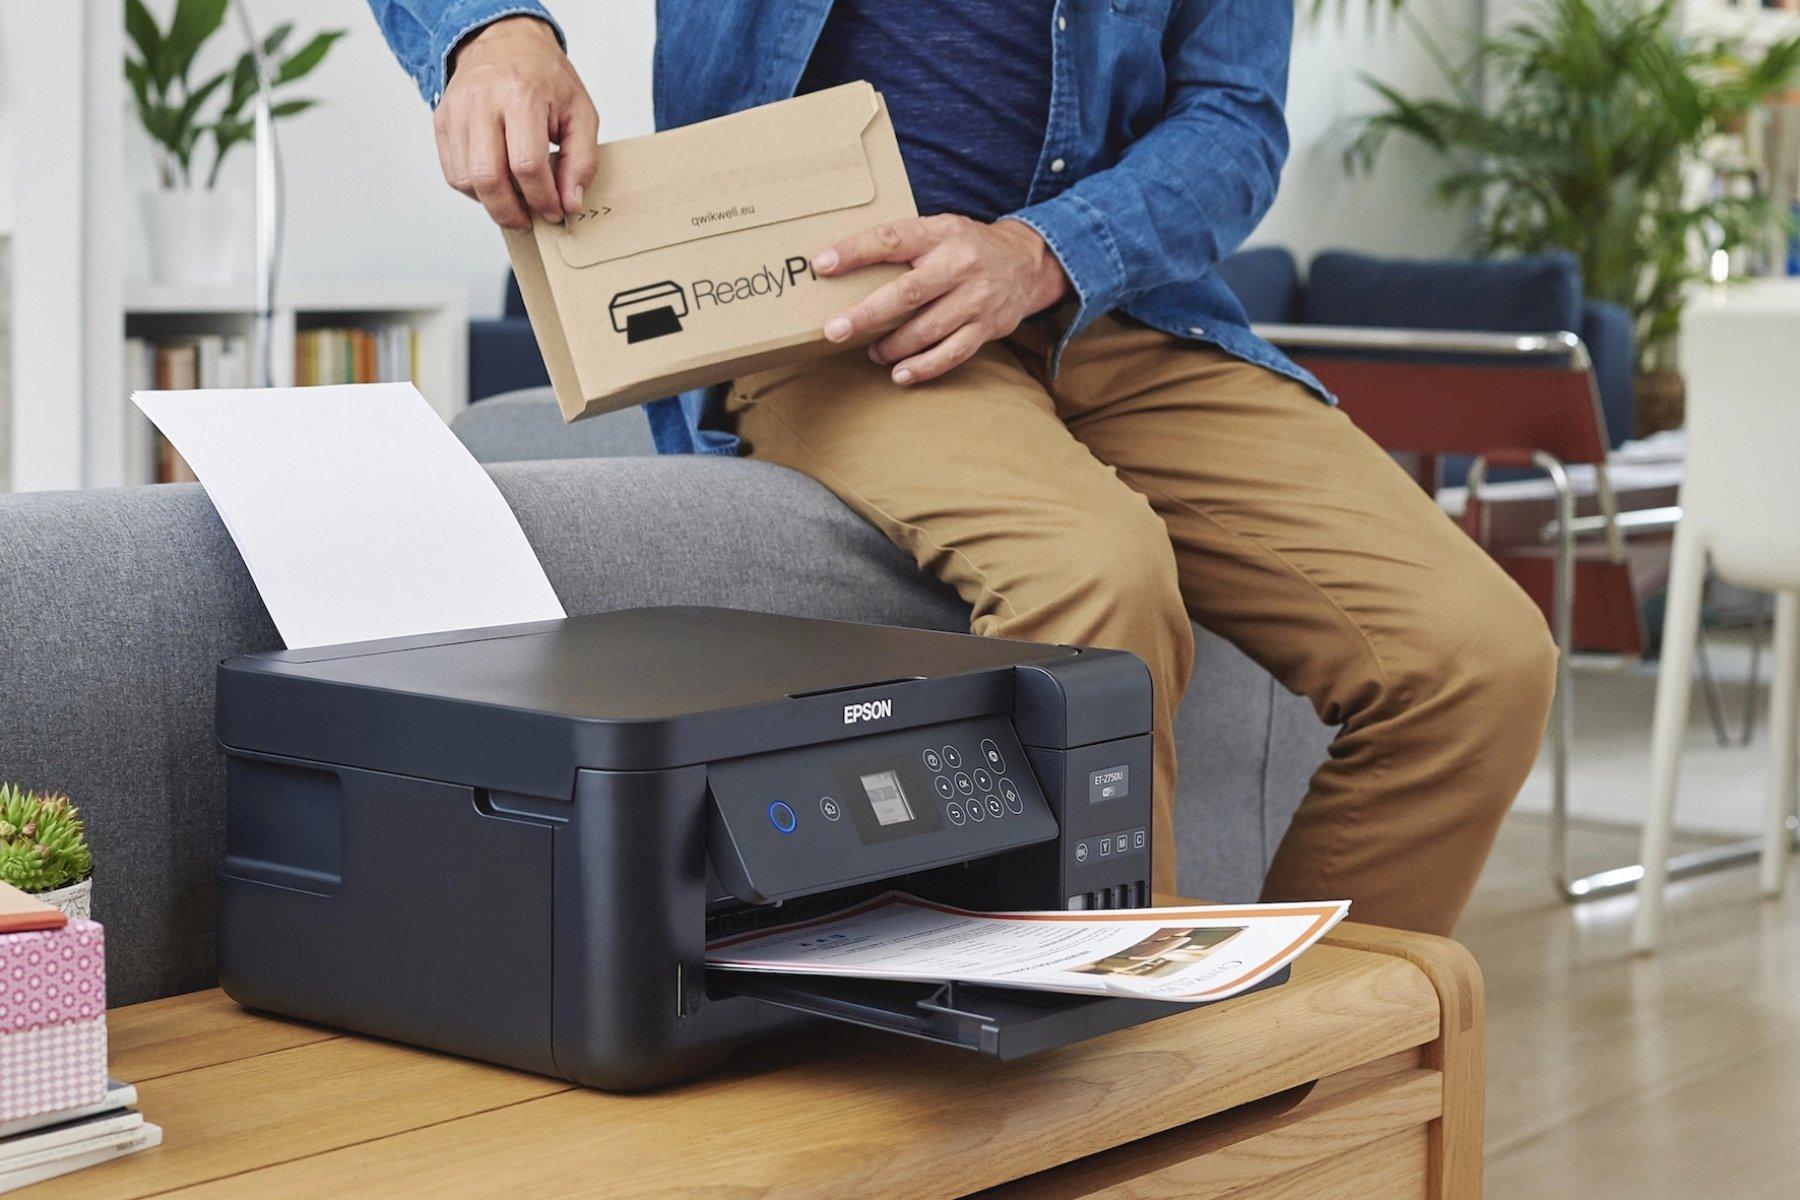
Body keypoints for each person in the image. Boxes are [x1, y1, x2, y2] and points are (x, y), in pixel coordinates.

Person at [367, 1, 1557, 935]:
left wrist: (1043, 253)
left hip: (1123, 309)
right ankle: (1100, 1108)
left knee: (1479, 661)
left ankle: (1279, 1093)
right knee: (1095, 577)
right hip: (834, 315)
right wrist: (488, 34)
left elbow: (1237, 121)